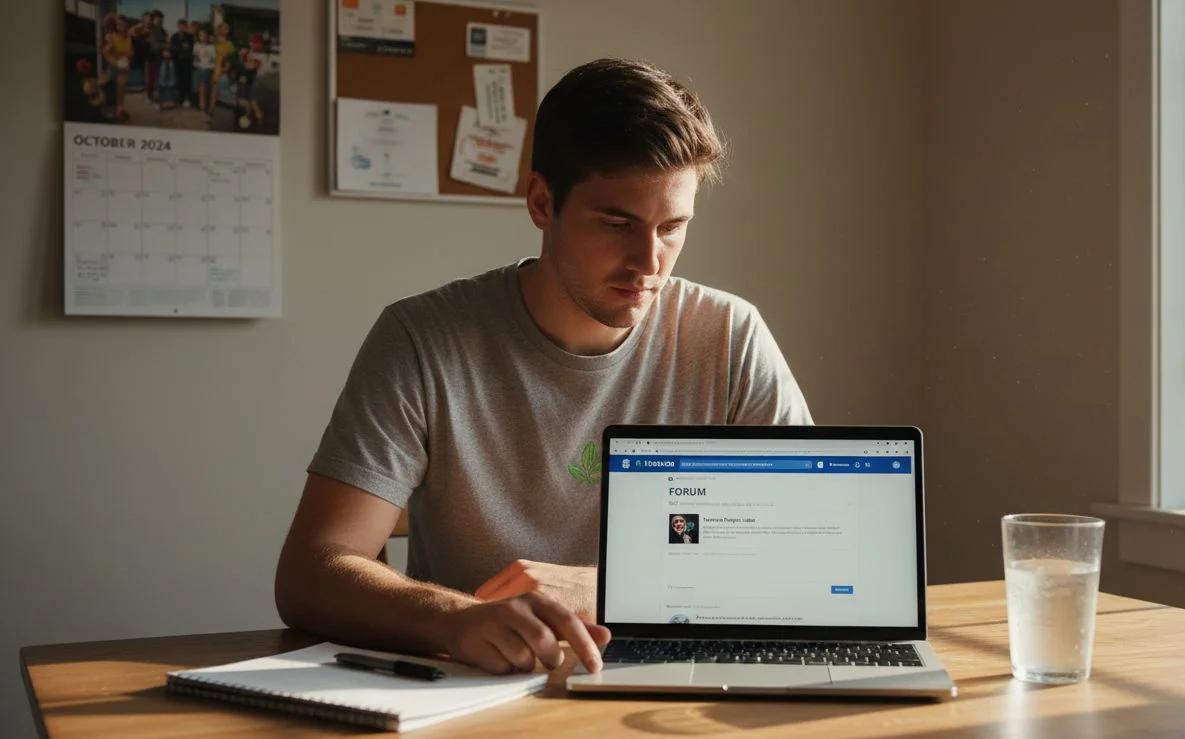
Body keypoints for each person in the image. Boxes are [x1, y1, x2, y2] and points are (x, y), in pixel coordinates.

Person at [273, 58, 812, 677]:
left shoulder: (730, 336)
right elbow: (312, 572)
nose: (649, 262)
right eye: (617, 224)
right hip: (486, 693)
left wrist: (602, 589)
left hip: (682, 690)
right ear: (540, 202)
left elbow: (802, 556)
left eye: (673, 227)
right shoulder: (423, 339)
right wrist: (451, 618)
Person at [101, 15, 133, 121]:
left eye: (122, 25)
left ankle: (119, 110)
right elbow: (106, 52)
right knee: (111, 88)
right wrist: (117, 62)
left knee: (120, 89)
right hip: (113, 66)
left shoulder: (128, 38)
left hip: (124, 67)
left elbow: (130, 52)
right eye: (118, 24)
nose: (120, 27)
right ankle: (111, 112)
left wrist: (127, 59)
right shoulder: (111, 36)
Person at [209, 22, 235, 115]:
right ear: (220, 30)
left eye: (227, 28)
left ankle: (212, 109)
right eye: (225, 28)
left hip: (222, 67)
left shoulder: (229, 43)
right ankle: (211, 107)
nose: (227, 29)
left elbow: (231, 57)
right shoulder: (214, 41)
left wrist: (227, 67)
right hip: (213, 65)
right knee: (212, 88)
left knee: (217, 88)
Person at [170, 19, 194, 108]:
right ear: (178, 26)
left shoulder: (190, 37)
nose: (183, 28)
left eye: (184, 26)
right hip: (177, 62)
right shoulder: (174, 36)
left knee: (187, 81)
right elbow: (172, 49)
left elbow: (191, 49)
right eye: (181, 26)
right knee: (178, 80)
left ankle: (187, 98)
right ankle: (180, 97)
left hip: (187, 62)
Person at [193, 28, 215, 116]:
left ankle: (205, 106)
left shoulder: (211, 47)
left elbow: (213, 58)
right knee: (201, 87)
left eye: (204, 35)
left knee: (205, 87)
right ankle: (202, 105)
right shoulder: (196, 45)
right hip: (199, 67)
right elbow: (195, 56)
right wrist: (197, 60)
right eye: (201, 35)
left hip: (208, 68)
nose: (203, 37)